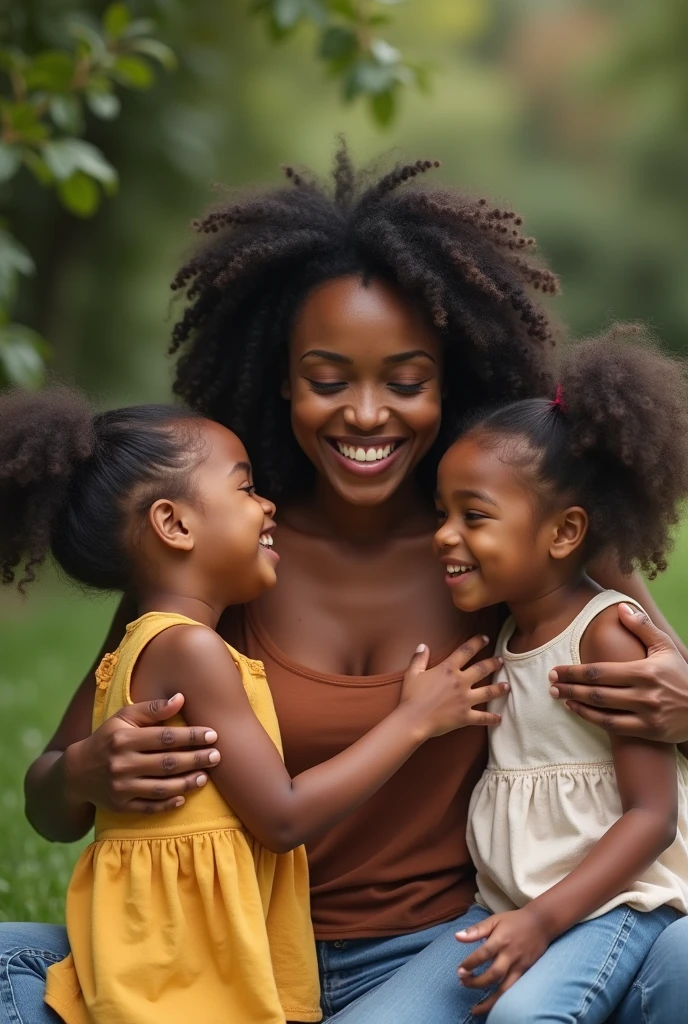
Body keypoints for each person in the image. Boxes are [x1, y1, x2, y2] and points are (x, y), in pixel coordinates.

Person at [2, 148, 688, 1024]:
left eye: (407, 381)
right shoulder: (219, 558)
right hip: (222, 945)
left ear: (452, 383)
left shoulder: (499, 555)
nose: (367, 414)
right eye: (329, 380)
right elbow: (47, 802)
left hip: (436, 949)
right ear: (284, 381)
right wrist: (89, 773)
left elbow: (651, 709)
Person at [0, 388, 502, 1024]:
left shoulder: (139, 644)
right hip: (189, 971)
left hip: (167, 954)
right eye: (243, 489)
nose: (266, 505)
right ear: (174, 525)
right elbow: (283, 816)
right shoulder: (193, 650)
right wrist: (415, 720)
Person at [432, 328, 688, 1022]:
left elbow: (653, 815)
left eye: (473, 517)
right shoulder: (511, 631)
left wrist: (544, 921)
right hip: (512, 905)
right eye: (441, 514)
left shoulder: (606, 634)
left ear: (565, 533)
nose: (443, 535)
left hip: (615, 902)